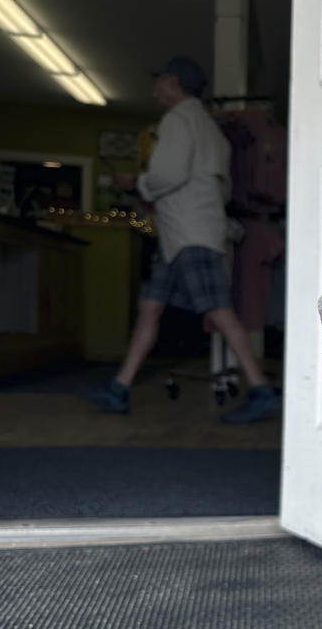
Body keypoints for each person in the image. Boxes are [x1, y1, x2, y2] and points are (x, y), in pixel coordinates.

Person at [84, 56, 279, 423]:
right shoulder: (208, 127)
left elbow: (167, 174)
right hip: (185, 234)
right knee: (150, 307)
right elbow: (214, 186)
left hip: (189, 235)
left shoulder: (177, 120)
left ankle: (261, 390)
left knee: (219, 311)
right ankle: (119, 389)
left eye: (159, 81)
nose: (155, 89)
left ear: (174, 83)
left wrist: (136, 183)